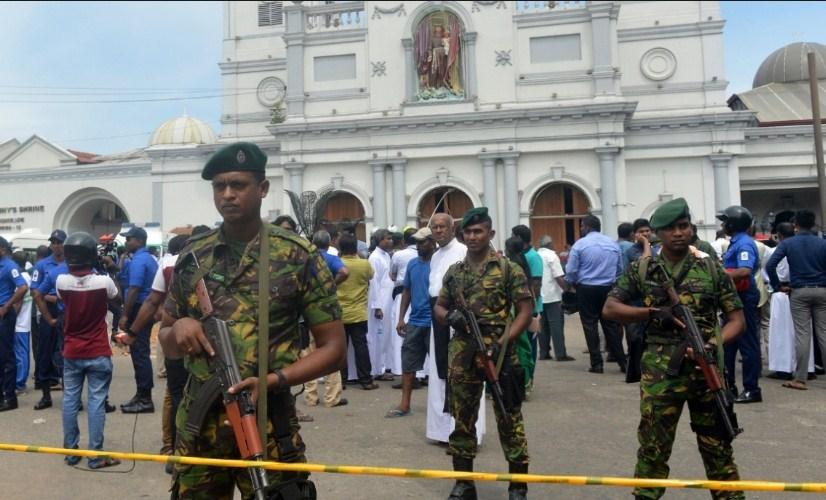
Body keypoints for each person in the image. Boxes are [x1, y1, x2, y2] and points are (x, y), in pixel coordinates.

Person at [159, 141, 346, 498]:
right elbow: (167, 333)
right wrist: (179, 328)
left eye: (238, 185)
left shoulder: (296, 255)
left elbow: (335, 349)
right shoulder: (193, 257)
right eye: (219, 186)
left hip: (267, 425)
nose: (227, 194)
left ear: (262, 189)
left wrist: (273, 380)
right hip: (201, 430)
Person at [602, 197, 746, 500]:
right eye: (670, 228)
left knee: (718, 447)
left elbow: (736, 320)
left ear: (691, 228)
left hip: (706, 371)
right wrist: (652, 314)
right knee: (653, 446)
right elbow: (610, 308)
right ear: (657, 233)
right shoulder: (643, 269)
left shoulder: (710, 269)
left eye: (683, 226)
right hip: (660, 372)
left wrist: (712, 342)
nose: (678, 233)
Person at [435, 207, 533, 500]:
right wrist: (449, 316)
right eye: (468, 232)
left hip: (501, 353)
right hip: (464, 352)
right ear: (462, 235)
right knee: (462, 418)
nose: (473, 236)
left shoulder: (507, 269)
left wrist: (503, 341)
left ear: (490, 234)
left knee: (509, 416)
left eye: (479, 231)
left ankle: (518, 486)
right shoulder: (455, 273)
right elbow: (439, 306)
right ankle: (464, 483)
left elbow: (525, 311)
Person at [117, 233, 189, 463]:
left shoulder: (165, 263)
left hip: (174, 337)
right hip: (203, 340)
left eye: (129, 239)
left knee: (176, 393)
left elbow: (143, 295)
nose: (127, 242)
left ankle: (174, 448)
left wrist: (130, 325)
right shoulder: (154, 261)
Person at [57, 232, 122, 469]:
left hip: (72, 351)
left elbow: (64, 298)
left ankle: (71, 451)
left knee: (70, 401)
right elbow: (117, 298)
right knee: (96, 403)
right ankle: (95, 454)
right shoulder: (103, 282)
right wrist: (108, 269)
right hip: (97, 350)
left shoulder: (61, 281)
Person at [765, 209, 826, 390]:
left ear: (796, 224)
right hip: (822, 290)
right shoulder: (822, 243)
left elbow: (770, 265)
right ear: (813, 224)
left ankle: (799, 378)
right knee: (823, 333)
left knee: (802, 334)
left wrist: (778, 286)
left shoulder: (789, 243)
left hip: (798, 291)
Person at [564, 215, 626, 374]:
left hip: (587, 288)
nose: (581, 229)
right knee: (611, 325)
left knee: (589, 325)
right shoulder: (612, 244)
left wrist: (570, 284)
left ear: (586, 227)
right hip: (608, 287)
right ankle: (622, 362)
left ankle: (597, 364)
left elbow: (571, 271)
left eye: (582, 226)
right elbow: (620, 269)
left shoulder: (580, 245)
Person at [387, 227, 435, 418]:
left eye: (423, 241)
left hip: (434, 323)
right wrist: (401, 318)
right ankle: (404, 404)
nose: (420, 245)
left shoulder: (439, 263)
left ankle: (444, 406)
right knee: (408, 366)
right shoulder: (413, 264)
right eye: (418, 242)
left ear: (432, 242)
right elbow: (406, 291)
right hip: (415, 321)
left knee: (441, 368)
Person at [717, 205, 762, 403]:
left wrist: (719, 273)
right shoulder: (736, 242)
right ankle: (729, 387)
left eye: (725, 221)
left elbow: (744, 270)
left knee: (747, 343)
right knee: (728, 343)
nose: (723, 224)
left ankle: (752, 388)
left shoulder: (744, 244)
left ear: (733, 223)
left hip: (743, 296)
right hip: (733, 297)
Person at [302, 230, 347, 409]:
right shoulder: (330, 258)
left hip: (305, 311)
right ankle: (331, 397)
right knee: (331, 351)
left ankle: (311, 397)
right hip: (327, 312)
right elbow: (344, 271)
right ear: (329, 243)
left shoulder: (305, 257)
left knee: (308, 354)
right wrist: (332, 287)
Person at [118, 226, 159, 413]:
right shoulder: (145, 258)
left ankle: (145, 398)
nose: (126, 242)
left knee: (139, 352)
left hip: (139, 308)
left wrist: (125, 315)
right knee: (138, 351)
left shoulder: (140, 260)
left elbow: (133, 289)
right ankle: (141, 394)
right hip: (145, 308)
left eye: (129, 239)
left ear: (139, 241)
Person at [765, 223, 814, 379]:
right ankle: (808, 367)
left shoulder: (774, 251)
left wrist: (776, 285)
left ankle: (783, 368)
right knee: (803, 332)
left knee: (781, 332)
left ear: (778, 235)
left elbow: (767, 269)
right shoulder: (804, 250)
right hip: (799, 288)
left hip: (782, 291)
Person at [336, 233, 377, 390]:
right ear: (355, 247)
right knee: (361, 346)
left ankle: (342, 380)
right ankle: (366, 380)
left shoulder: (337, 263)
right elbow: (371, 276)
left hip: (340, 312)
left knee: (341, 348)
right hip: (359, 312)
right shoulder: (364, 264)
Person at [31, 229, 67, 405]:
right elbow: (35, 290)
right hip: (48, 309)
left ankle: (70, 395)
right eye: (53, 242)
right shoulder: (42, 265)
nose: (56, 245)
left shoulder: (71, 264)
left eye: (59, 242)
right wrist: (49, 301)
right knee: (44, 351)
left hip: (67, 309)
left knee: (67, 352)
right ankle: (46, 395)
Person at [511, 225, 543, 392]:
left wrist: (531, 310)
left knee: (529, 346)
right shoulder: (521, 257)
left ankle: (528, 379)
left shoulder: (533, 257)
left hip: (530, 309)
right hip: (519, 310)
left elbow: (536, 285)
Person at [0, 237, 29, 411]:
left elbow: (23, 287)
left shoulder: (9, 266)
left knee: (6, 356)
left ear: (2, 249)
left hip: (4, 314)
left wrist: (7, 306)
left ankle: (10, 397)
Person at [389, 227, 419, 383]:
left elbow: (392, 274)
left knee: (401, 333)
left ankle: (403, 372)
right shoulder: (427, 254)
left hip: (402, 295)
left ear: (403, 241)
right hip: (420, 296)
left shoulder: (398, 255)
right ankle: (421, 373)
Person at [536, 235, 572, 361]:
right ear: (550, 244)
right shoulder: (552, 255)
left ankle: (544, 352)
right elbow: (558, 276)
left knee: (542, 325)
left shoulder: (536, 255)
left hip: (539, 295)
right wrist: (567, 288)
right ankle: (560, 353)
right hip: (552, 295)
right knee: (556, 324)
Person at [368, 228, 397, 380]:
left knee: (386, 336)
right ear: (379, 240)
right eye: (387, 238)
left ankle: (386, 366)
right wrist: (377, 306)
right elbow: (374, 284)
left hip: (389, 300)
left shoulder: (386, 255)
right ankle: (378, 369)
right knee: (378, 337)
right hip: (380, 303)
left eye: (391, 238)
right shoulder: (374, 258)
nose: (391, 241)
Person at [11, 251, 32, 393]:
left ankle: (19, 383)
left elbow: (17, 303)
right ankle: (20, 381)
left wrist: (11, 319)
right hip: (25, 322)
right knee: (23, 352)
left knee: (20, 354)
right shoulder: (28, 277)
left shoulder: (20, 279)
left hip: (19, 323)